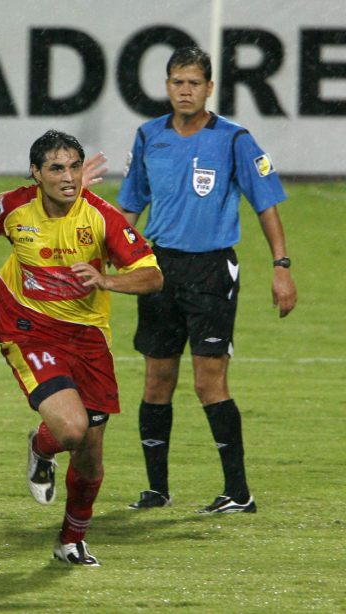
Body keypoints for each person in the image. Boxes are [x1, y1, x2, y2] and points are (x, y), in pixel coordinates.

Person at [0, 129, 163, 565]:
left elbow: (152, 275)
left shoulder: (101, 217)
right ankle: (48, 444)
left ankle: (69, 540)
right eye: (57, 168)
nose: (68, 177)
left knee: (91, 458)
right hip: (28, 330)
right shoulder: (14, 207)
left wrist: (107, 280)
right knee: (72, 430)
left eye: (75, 167)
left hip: (89, 339)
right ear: (36, 173)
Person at [117, 46, 297, 514]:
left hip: (211, 270)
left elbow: (265, 205)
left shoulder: (234, 139)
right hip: (158, 270)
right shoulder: (149, 136)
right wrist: (110, 258)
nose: (185, 90)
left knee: (207, 382)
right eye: (177, 82)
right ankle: (157, 491)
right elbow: (130, 207)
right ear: (167, 85)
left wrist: (282, 267)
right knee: (156, 379)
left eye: (194, 82)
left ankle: (239, 493)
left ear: (210, 88)